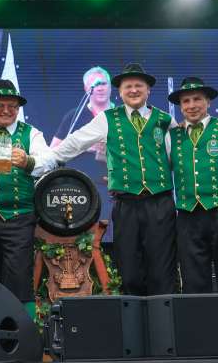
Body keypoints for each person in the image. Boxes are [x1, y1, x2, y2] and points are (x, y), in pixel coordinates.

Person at [53, 63, 177, 296]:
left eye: (138, 85)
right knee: (129, 271)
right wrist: (38, 162)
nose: (133, 90)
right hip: (126, 204)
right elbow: (74, 142)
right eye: (127, 86)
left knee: (162, 271)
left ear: (148, 89)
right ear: (119, 91)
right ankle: (135, 327)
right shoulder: (107, 119)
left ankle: (165, 326)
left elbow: (177, 160)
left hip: (160, 203)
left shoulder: (165, 120)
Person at [0, 79, 56, 315]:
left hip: (18, 218)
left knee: (19, 280)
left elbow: (50, 160)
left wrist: (28, 161)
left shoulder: (31, 133)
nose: (6, 110)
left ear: (18, 108)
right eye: (0, 105)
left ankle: (23, 339)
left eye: (12, 106)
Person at [167, 77, 218, 294]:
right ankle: (199, 325)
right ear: (180, 106)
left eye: (197, 99)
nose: (191, 105)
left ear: (208, 101)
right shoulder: (172, 136)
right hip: (187, 212)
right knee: (193, 277)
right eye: (186, 101)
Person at [51, 67, 114, 240]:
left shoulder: (119, 115)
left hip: (113, 188)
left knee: (110, 236)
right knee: (81, 238)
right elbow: (53, 151)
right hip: (80, 189)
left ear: (111, 86)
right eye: (96, 84)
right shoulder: (75, 116)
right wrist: (87, 145)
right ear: (87, 89)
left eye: (104, 83)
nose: (100, 87)